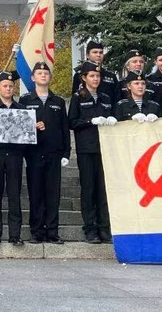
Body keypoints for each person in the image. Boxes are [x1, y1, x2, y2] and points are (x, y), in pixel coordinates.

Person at [21, 61, 70, 244]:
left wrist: (66, 152)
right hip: (33, 154)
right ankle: (37, 232)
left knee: (52, 194)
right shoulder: (25, 101)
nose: (43, 75)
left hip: (53, 153)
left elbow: (64, 128)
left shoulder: (57, 101)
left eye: (46, 73)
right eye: (39, 73)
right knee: (36, 193)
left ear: (50, 77)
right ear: (33, 77)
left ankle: (52, 232)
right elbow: (19, 126)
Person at [69, 61, 115, 243]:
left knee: (103, 190)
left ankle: (104, 228)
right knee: (88, 189)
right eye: (92, 76)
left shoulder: (105, 97)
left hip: (104, 149)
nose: (96, 79)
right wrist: (89, 121)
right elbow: (72, 122)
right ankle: (90, 228)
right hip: (86, 149)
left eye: (98, 76)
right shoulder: (78, 97)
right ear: (84, 78)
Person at [0, 72, 30, 246]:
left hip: (15, 156)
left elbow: (27, 135)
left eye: (11, 86)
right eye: (4, 86)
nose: (8, 88)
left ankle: (15, 235)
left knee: (14, 195)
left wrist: (33, 128)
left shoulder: (22, 109)